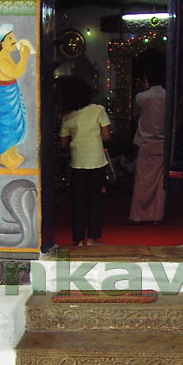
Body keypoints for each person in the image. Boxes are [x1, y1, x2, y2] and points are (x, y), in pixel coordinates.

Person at [59, 77, 111, 246]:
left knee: (78, 202)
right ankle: (92, 238)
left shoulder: (67, 118)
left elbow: (63, 144)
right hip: (97, 162)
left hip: (77, 164)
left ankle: (78, 239)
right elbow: (106, 136)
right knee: (96, 201)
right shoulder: (98, 110)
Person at [128, 58, 166, 224]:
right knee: (160, 183)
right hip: (163, 144)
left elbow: (136, 116)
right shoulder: (168, 97)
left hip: (145, 143)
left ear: (146, 79)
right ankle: (157, 216)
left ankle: (138, 216)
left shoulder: (141, 97)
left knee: (142, 181)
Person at [0, 24, 33, 169]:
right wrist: (24, 57)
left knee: (16, 124)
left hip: (11, 91)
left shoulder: (7, 57)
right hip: (4, 96)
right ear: (2, 43)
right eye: (9, 38)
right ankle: (6, 157)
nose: (14, 40)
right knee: (8, 126)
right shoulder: (0, 59)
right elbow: (15, 73)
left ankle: (12, 154)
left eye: (13, 37)